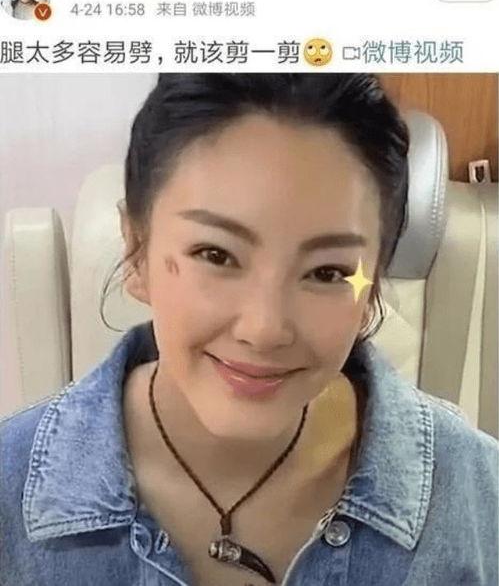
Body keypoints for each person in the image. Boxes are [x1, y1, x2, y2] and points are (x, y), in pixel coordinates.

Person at [0, 74, 497, 586]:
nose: (264, 329)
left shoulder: (475, 495)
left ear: (372, 287)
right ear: (136, 252)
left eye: (328, 272)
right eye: (216, 255)